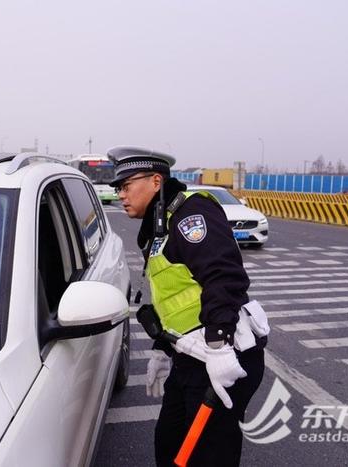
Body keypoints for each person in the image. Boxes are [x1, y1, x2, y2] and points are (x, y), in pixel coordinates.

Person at [107, 146, 267, 466]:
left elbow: (223, 277)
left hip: (220, 356)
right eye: (118, 189)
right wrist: (161, 349)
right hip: (189, 357)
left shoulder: (190, 215)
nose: (120, 195)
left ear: (155, 181)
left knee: (208, 455)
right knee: (170, 447)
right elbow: (174, 293)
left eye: (126, 186)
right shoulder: (158, 225)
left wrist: (220, 346)